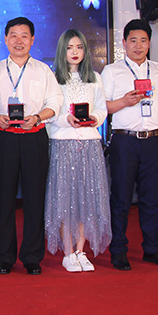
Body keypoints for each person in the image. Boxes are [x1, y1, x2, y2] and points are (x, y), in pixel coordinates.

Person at [101, 19, 158, 271]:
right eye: (133, 40)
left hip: (154, 141)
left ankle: (152, 249)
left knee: (151, 198)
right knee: (121, 198)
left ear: (149, 43)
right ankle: (118, 250)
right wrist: (124, 102)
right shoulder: (112, 71)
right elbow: (102, 108)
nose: (138, 45)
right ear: (124, 43)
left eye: (143, 40)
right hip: (124, 141)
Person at [0, 17, 63, 275]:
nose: (18, 41)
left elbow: (55, 101)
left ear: (32, 40)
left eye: (24, 36)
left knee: (35, 198)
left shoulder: (43, 70)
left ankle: (32, 256)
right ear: (5, 39)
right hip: (4, 138)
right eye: (13, 35)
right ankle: (4, 257)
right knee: (3, 199)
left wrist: (38, 117)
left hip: (34, 137)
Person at [44, 29, 111, 272]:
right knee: (64, 200)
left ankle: (81, 251)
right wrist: (66, 120)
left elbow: (102, 108)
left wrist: (95, 118)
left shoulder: (95, 78)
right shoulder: (52, 78)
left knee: (87, 200)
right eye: (70, 47)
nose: (75, 52)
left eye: (79, 47)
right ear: (62, 50)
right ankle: (68, 252)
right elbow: (49, 113)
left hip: (90, 144)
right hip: (63, 143)